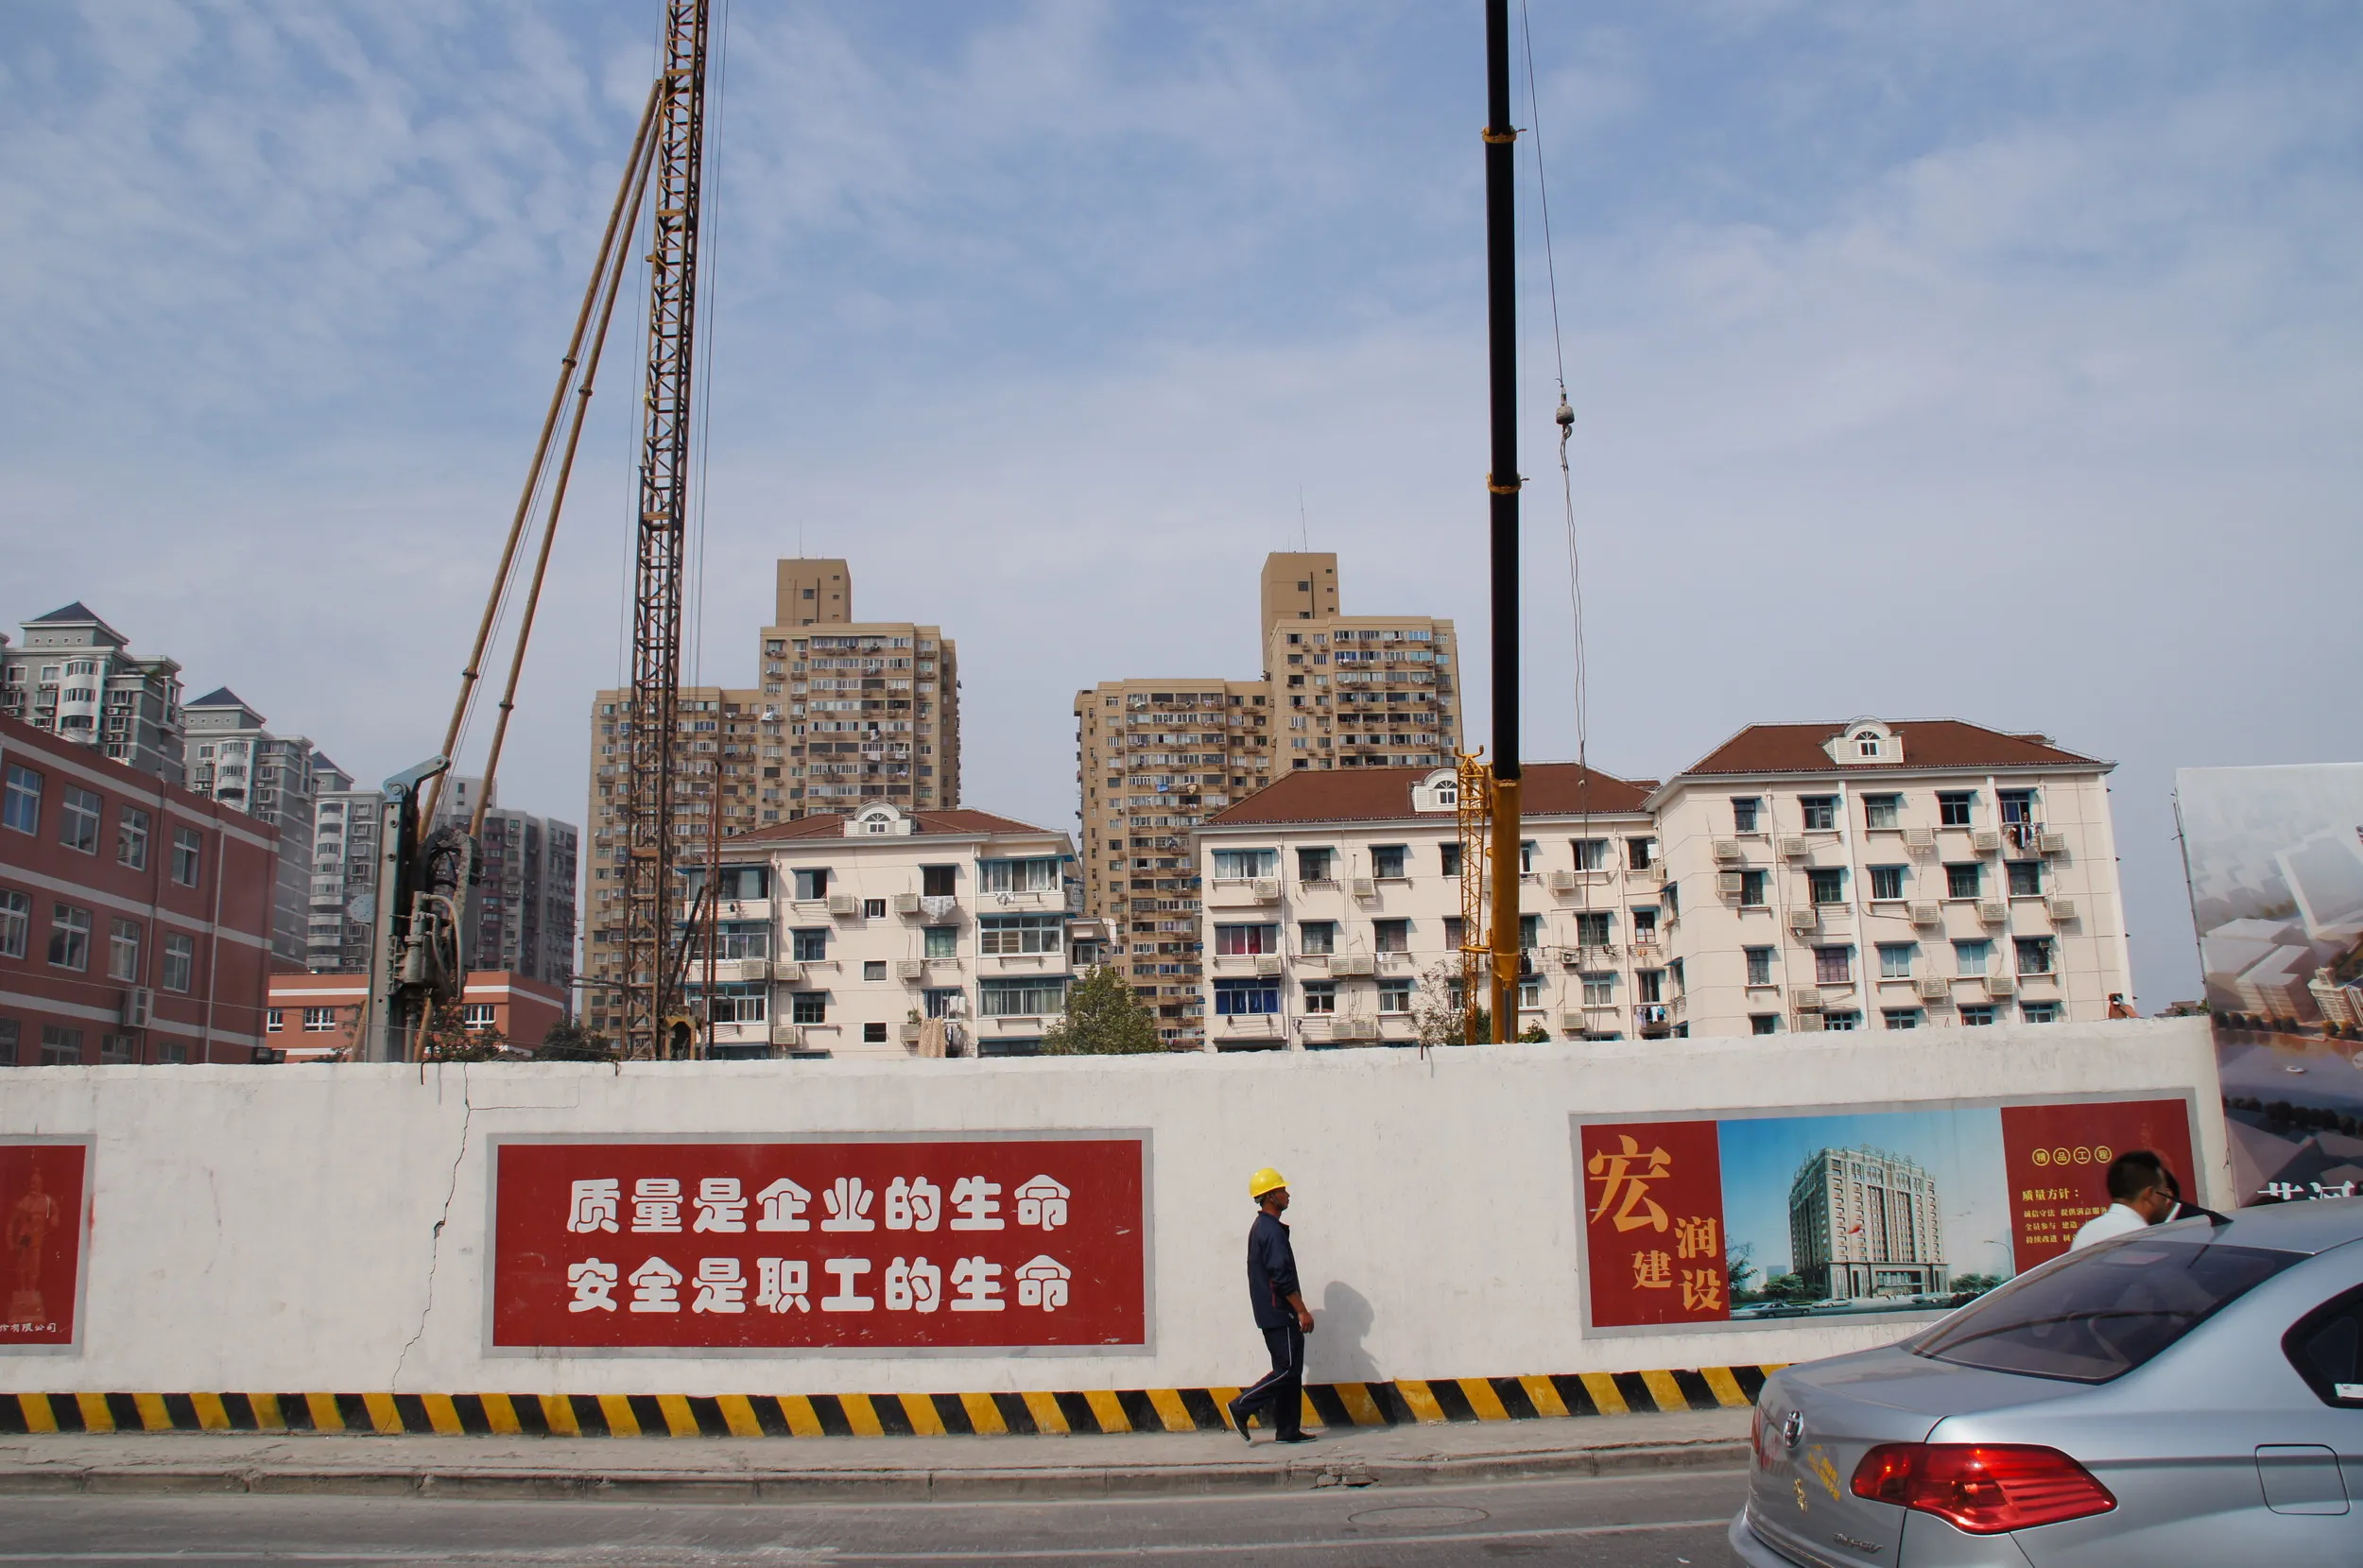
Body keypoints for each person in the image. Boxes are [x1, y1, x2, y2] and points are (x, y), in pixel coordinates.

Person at [1228, 1166, 1315, 1445]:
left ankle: (1288, 1431)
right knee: (1287, 1371)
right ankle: (1242, 1406)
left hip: (1272, 1312)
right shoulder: (1271, 1231)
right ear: (1270, 1197)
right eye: (1282, 1190)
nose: (1287, 1194)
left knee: (1290, 1370)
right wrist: (1300, 1309)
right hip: (1280, 1312)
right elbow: (1281, 1276)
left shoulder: (1263, 1228)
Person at [2070, 1151, 2177, 1250]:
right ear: (2149, 1194)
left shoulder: (2086, 1233)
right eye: (2164, 1194)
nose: (2166, 1202)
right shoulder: (2147, 1239)